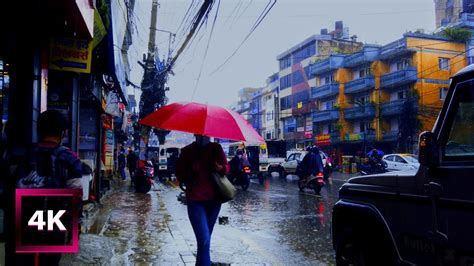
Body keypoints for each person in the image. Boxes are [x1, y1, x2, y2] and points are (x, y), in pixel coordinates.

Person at [15, 109, 82, 265]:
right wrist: (75, 226)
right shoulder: (70, 158)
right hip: (53, 219)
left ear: (38, 129)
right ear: (63, 133)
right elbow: (75, 198)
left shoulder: (19, 154)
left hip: (21, 216)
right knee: (49, 261)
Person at [176, 134, 229, 266]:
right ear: (195, 134)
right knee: (204, 239)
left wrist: (220, 168)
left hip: (214, 201)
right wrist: (191, 170)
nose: (203, 136)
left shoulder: (216, 148)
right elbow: (179, 173)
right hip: (195, 200)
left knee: (204, 241)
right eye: (200, 134)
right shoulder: (187, 151)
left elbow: (227, 168)